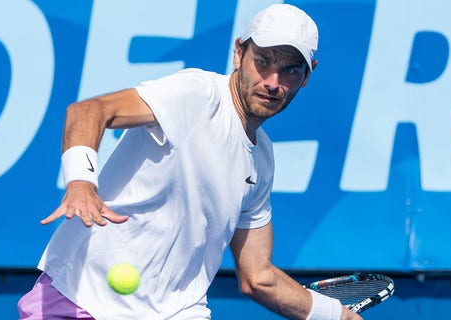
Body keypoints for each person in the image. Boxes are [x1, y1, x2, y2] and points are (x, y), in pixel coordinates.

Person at [18, 4, 362, 320]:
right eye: (263, 62)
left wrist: (338, 315)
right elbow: (90, 110)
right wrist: (81, 182)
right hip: (83, 297)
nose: (273, 82)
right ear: (239, 53)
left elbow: (258, 277)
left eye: (289, 70)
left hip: (176, 312)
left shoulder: (262, 160)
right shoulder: (197, 94)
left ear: (307, 75)